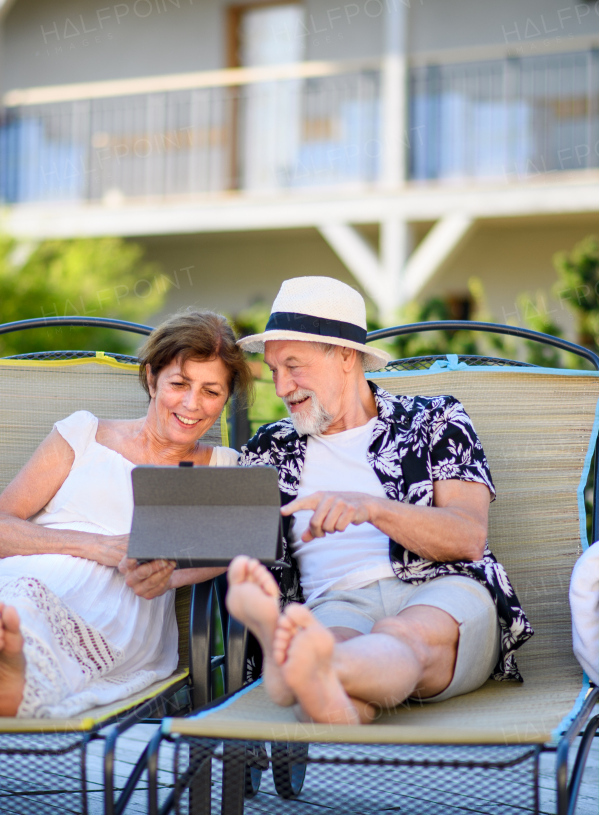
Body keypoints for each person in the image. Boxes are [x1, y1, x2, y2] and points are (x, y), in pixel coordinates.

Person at [0, 310, 252, 718]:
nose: (192, 404)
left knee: (25, 619)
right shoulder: (82, 435)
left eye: (211, 392)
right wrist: (100, 546)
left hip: (116, 609)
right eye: (179, 384)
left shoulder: (222, 471)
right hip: (22, 575)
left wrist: (167, 574)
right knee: (16, 602)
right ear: (151, 378)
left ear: (226, 398)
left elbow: (233, 552)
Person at [226, 276, 532, 725]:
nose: (281, 387)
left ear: (346, 355)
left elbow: (468, 536)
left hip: (441, 588)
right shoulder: (268, 450)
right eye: (273, 370)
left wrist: (372, 508)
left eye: (294, 365)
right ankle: (312, 672)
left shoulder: (435, 420)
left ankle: (296, 667)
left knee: (402, 634)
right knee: (341, 694)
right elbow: (220, 534)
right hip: (334, 604)